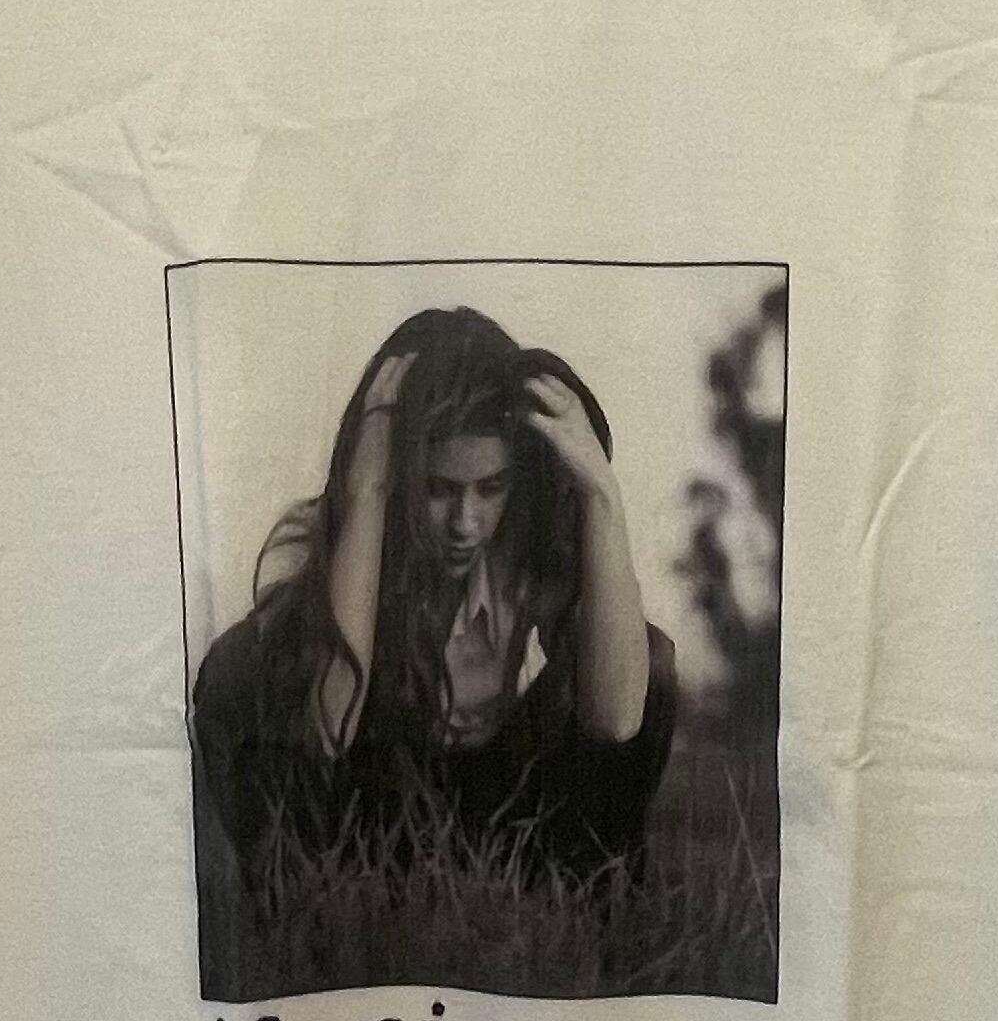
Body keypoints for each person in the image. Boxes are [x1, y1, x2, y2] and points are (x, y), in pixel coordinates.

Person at [191, 305, 680, 902]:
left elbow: (617, 719)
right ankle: (311, 915)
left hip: (507, 827)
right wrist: (367, 491)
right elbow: (328, 732)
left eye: (491, 488)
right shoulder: (343, 538)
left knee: (650, 655)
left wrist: (601, 491)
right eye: (438, 489)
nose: (465, 523)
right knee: (233, 668)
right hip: (375, 825)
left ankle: (588, 918)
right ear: (400, 476)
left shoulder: (528, 547)